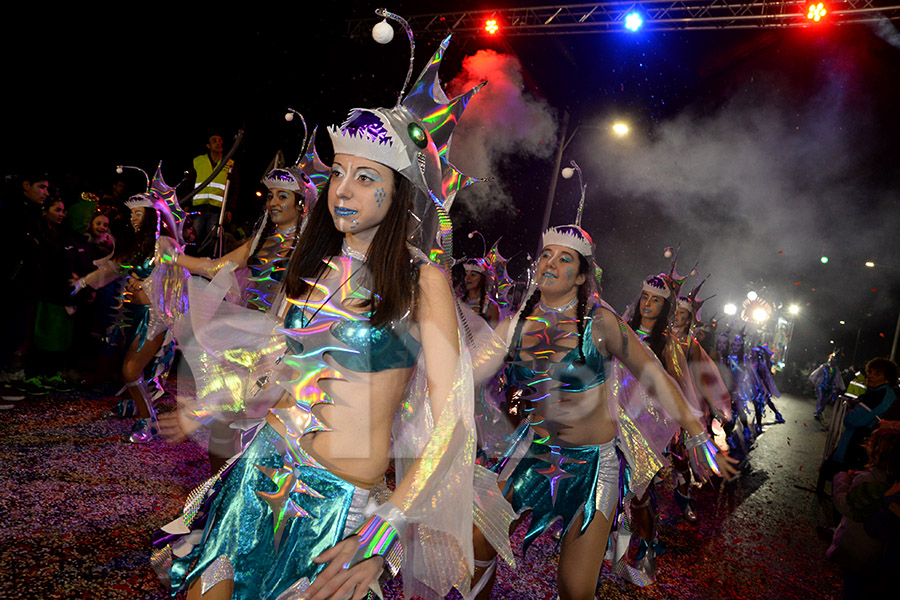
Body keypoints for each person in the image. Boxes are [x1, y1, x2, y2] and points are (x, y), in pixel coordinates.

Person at [152, 37, 483, 600]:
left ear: (398, 191)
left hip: (340, 509)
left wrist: (383, 535)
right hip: (261, 471)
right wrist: (208, 407)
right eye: (339, 174)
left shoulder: (421, 281)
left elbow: (453, 426)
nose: (343, 191)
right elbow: (274, 365)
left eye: (365, 178)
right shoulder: (313, 266)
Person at [470, 226, 737, 600]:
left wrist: (696, 432)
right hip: (534, 454)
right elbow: (467, 372)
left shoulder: (601, 323)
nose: (551, 263)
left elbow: (656, 377)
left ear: (581, 276)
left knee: (575, 589)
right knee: (478, 540)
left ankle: (642, 547)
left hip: (592, 469)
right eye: (547, 255)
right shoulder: (518, 322)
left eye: (565, 259)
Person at [164, 137, 325, 470]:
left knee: (266, 427)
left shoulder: (310, 252)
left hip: (281, 350)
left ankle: (254, 501)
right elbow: (215, 266)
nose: (273, 203)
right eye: (270, 196)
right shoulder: (259, 242)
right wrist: (176, 258)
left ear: (301, 204)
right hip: (242, 345)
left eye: (283, 196)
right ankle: (219, 496)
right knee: (225, 423)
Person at [72, 171, 177, 443]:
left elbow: (175, 281)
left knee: (131, 370)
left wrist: (145, 285)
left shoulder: (164, 245)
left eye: (139, 214)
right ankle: (135, 406)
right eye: (132, 214)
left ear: (152, 216)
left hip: (157, 317)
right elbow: (113, 268)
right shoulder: (135, 246)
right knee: (130, 369)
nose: (133, 219)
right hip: (137, 315)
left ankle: (149, 421)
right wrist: (82, 283)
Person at [827, 420, 900, 598]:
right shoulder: (889, 478)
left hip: (858, 551)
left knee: (853, 589)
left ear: (878, 452)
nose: (866, 444)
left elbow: (846, 505)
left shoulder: (869, 480)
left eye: (871, 443)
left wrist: (842, 479)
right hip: (872, 555)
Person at [817, 358, 898, 494]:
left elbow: (853, 420)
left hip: (856, 445)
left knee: (843, 481)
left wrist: (851, 410)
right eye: (870, 372)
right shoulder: (887, 394)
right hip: (869, 446)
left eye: (877, 374)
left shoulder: (877, 395)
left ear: (887, 379)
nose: (871, 376)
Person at [189, 134, 233, 256]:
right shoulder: (198, 161)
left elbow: (233, 189)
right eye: (214, 141)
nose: (218, 143)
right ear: (208, 146)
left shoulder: (229, 163)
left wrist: (229, 209)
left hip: (217, 210)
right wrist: (186, 205)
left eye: (220, 140)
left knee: (212, 242)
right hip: (198, 208)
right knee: (193, 238)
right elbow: (189, 184)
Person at [461, 258, 500, 327]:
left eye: (473, 275)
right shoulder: (458, 303)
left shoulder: (491, 307)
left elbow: (496, 335)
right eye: (466, 273)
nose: (467, 278)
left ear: (483, 278)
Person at [811, 353, 845, 422]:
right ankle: (818, 412)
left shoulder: (836, 370)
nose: (833, 362)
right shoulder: (824, 367)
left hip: (830, 387)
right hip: (821, 386)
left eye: (835, 361)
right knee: (820, 399)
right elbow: (816, 374)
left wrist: (839, 386)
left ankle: (819, 411)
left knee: (825, 400)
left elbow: (837, 379)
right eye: (832, 361)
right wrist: (814, 381)